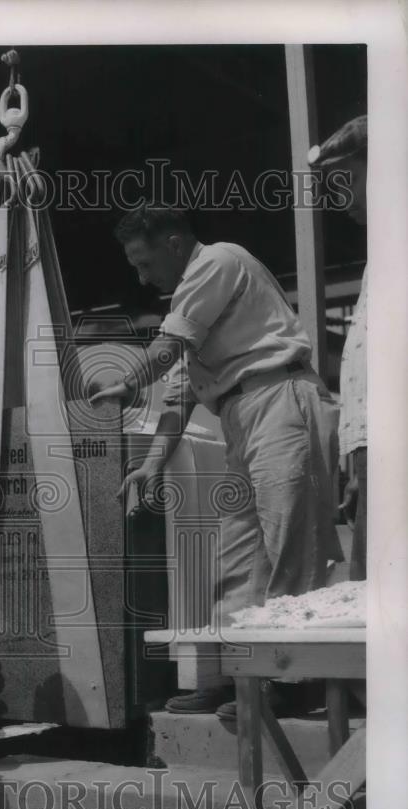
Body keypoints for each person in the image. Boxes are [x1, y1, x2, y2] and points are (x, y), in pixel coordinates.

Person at [90, 206, 342, 719]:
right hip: (241, 414)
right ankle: (239, 677)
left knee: (292, 543)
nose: (141, 276)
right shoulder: (193, 306)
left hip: (280, 398)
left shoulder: (218, 262)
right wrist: (152, 464)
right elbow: (179, 397)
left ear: (176, 243)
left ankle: (299, 680)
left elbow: (167, 351)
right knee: (238, 558)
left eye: (143, 262)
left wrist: (129, 381)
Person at [309, 115, 367, 581]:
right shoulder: (380, 259)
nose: (339, 199)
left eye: (346, 179)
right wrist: (355, 466)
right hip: (372, 449)